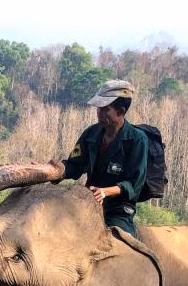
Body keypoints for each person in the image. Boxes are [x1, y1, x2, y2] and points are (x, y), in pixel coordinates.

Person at [54, 79, 148, 236]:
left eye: (105, 110)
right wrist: (55, 170)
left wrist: (105, 192)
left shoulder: (138, 140)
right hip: (89, 202)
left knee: (117, 241)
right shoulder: (91, 133)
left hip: (118, 209)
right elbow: (75, 165)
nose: (99, 113)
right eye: (98, 109)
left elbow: (133, 185)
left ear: (120, 112)